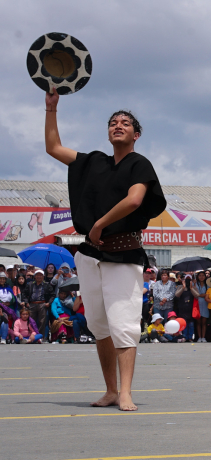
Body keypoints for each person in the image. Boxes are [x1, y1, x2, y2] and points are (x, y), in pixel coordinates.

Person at [45, 86, 166, 410]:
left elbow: (135, 199)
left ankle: (126, 391)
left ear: (136, 134)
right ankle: (111, 390)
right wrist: (52, 108)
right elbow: (54, 147)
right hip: (89, 255)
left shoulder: (139, 164)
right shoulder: (93, 162)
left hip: (123, 254)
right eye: (113, 121)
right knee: (99, 324)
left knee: (123, 323)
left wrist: (99, 223)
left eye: (125, 122)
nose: (118, 124)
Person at [23, 269, 53, 337]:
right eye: (37, 275)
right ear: (34, 276)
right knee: (31, 321)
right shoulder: (30, 284)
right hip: (32, 304)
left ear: (43, 276)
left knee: (42, 322)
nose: (39, 276)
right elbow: (24, 294)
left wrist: (49, 302)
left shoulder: (47, 285)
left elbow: (52, 295)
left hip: (42, 304)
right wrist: (26, 302)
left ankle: (40, 337)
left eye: (40, 275)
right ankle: (31, 336)